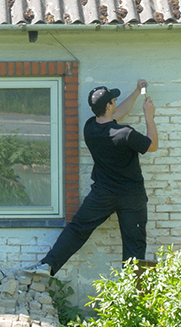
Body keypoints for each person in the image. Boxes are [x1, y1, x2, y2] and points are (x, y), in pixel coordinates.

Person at [24, 79, 158, 276]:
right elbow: (152, 145)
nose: (115, 103)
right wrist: (149, 116)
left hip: (103, 194)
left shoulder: (90, 128)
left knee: (78, 228)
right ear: (108, 106)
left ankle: (48, 264)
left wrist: (137, 92)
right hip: (131, 196)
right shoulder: (126, 134)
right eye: (113, 100)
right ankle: (133, 291)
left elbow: (117, 114)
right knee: (134, 246)